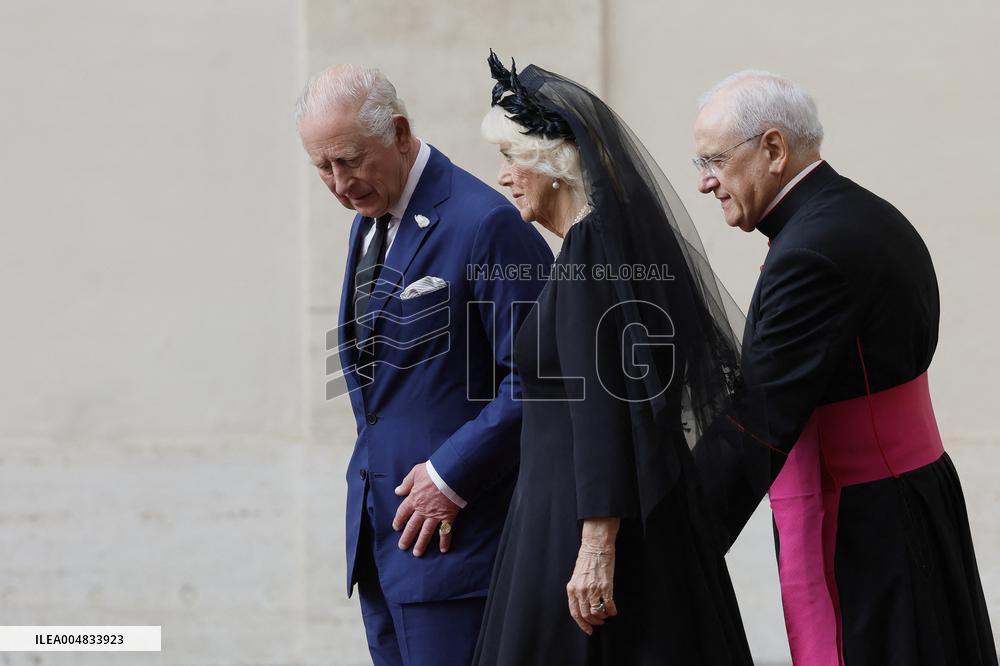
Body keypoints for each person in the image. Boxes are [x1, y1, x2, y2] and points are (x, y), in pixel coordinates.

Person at [692, 69, 997, 665]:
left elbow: (759, 418)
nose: (705, 182)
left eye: (715, 160)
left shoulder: (810, 253)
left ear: (773, 149)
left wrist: (670, 541)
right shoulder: (859, 211)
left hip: (864, 526)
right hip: (910, 498)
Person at [472, 52, 755, 666]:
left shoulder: (590, 248)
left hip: (583, 523)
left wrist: (596, 545)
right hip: (570, 510)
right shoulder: (595, 244)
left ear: (552, 164)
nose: (503, 176)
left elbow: (604, 405)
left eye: (512, 157)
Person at [295, 65, 552, 666]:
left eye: (350, 160)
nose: (340, 183)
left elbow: (542, 379)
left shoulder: (485, 222)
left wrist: (449, 475)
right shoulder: (366, 222)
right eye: (323, 167)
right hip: (383, 545)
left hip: (462, 550)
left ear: (401, 133)